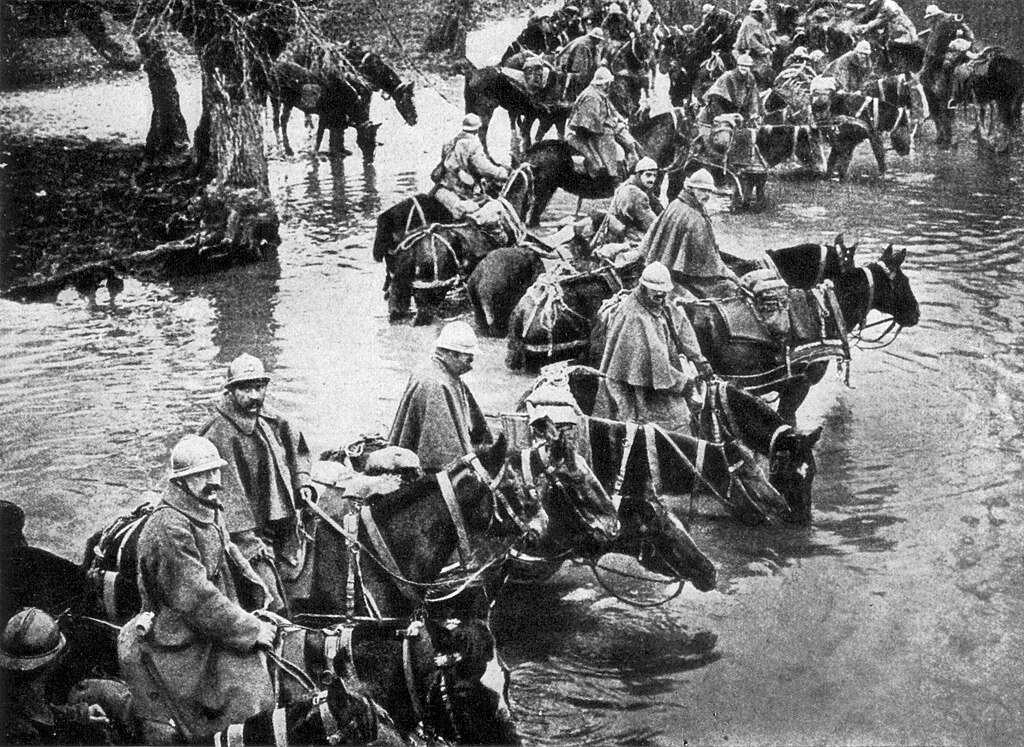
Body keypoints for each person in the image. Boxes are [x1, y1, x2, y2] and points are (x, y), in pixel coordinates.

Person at [117, 435, 276, 744]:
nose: (213, 481)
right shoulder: (169, 528)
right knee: (245, 695)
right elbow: (195, 597)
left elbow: (228, 548)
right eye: (203, 474)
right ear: (181, 481)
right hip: (181, 632)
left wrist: (260, 586)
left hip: (214, 615)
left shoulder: (206, 506)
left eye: (215, 471)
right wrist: (250, 629)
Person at [199, 353, 313, 613]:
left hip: (279, 521)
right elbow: (228, 507)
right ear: (230, 390)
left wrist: (302, 483)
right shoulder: (218, 433)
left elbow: (298, 450)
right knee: (274, 603)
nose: (254, 396)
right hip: (242, 533)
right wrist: (252, 543)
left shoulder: (270, 420)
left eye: (259, 387)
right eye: (245, 388)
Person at [591, 262, 713, 430]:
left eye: (664, 291)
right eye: (655, 289)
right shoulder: (635, 317)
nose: (660, 294)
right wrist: (684, 383)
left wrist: (699, 359)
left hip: (667, 377)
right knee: (676, 424)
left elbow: (682, 327)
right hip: (640, 387)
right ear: (643, 287)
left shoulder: (661, 302)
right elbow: (655, 368)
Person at [389, 321, 494, 473]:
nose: (470, 366)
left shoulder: (446, 373)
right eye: (468, 359)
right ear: (452, 354)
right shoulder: (435, 384)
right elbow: (441, 453)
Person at [2, 608, 110, 745]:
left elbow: (38, 709)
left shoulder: (22, 697)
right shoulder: (23, 733)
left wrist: (79, 713)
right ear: (54, 660)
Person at [639, 168, 740, 298]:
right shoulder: (696, 219)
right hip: (684, 277)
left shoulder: (676, 203)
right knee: (730, 288)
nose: (707, 195)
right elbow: (709, 262)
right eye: (702, 190)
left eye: (709, 191)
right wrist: (729, 274)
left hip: (665, 266)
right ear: (691, 189)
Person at [430, 114, 510, 219]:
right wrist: (501, 172)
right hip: (460, 190)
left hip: (444, 185)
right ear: (477, 130)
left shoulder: (451, 142)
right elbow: (484, 167)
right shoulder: (473, 144)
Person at [566, 66, 638, 179]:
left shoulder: (599, 93)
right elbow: (594, 123)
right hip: (591, 133)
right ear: (604, 83)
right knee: (615, 152)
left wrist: (621, 119)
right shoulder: (591, 97)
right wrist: (615, 125)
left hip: (601, 129)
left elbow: (611, 109)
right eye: (608, 82)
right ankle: (613, 176)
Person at [701, 53, 765, 124]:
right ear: (737, 65)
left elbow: (754, 96)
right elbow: (715, 95)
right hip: (720, 108)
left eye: (747, 66)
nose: (744, 68)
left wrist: (754, 113)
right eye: (742, 65)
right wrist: (723, 116)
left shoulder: (750, 78)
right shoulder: (728, 76)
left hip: (737, 110)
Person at [733, 0, 776, 88]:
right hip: (749, 53)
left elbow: (764, 35)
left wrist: (772, 44)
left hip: (754, 52)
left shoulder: (756, 22)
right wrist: (765, 50)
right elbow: (752, 41)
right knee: (762, 71)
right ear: (758, 12)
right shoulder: (751, 22)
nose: (764, 14)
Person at [556, 25, 606, 95]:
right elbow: (579, 67)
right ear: (594, 38)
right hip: (570, 67)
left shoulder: (591, 45)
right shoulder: (583, 45)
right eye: (598, 39)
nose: (599, 41)